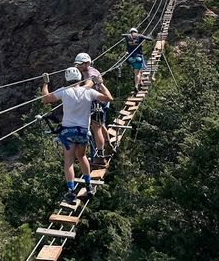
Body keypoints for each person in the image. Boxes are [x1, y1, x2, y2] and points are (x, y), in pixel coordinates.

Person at [42, 65, 113, 203]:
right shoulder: (88, 92)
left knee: (68, 161)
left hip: (68, 131)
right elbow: (108, 98)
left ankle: (71, 191)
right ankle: (88, 185)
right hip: (83, 132)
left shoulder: (64, 91)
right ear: (80, 78)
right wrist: (100, 83)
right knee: (82, 156)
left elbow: (45, 98)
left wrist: (45, 83)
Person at [73, 52, 109, 163]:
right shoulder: (90, 70)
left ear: (87, 63)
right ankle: (107, 144)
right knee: (100, 125)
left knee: (96, 128)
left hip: (97, 103)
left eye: (80, 64)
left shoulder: (90, 74)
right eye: (77, 64)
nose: (78, 66)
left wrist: (76, 91)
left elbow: (88, 85)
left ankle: (100, 155)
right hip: (101, 100)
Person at [124, 28, 154, 92]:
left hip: (130, 58)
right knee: (137, 73)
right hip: (138, 57)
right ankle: (136, 85)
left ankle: (140, 82)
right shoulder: (139, 36)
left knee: (137, 71)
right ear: (136, 32)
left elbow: (123, 35)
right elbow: (149, 39)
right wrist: (149, 36)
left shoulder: (127, 36)